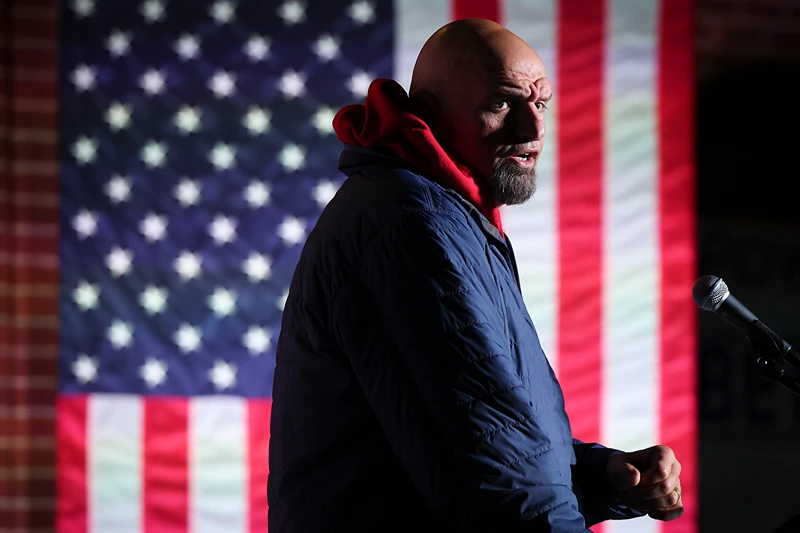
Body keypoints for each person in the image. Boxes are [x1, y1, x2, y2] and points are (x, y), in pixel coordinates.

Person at [267, 18, 684, 532]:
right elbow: (496, 469)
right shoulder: (409, 223)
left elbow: (477, 441)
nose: (533, 129)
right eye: (503, 103)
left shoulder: (446, 216)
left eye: (541, 104)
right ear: (428, 115)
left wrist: (603, 476)